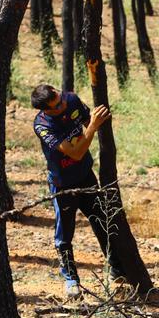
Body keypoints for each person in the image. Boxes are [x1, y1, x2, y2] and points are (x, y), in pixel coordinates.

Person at [31, 84, 123, 297]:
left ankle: (116, 268)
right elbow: (76, 152)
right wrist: (92, 126)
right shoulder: (42, 125)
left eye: (61, 98)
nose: (64, 104)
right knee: (64, 235)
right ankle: (71, 280)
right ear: (47, 110)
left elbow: (89, 119)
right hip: (63, 185)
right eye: (58, 105)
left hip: (86, 176)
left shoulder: (70, 99)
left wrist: (95, 121)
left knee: (102, 221)